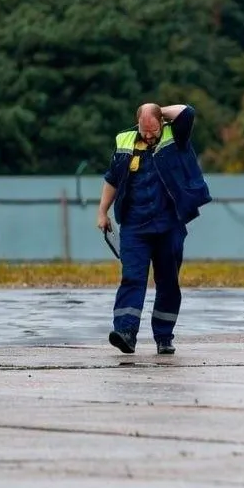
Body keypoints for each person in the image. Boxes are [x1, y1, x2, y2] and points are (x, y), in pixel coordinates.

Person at [98, 102, 211, 354]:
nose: (148, 136)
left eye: (153, 130)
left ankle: (164, 336)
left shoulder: (176, 135)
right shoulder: (125, 141)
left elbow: (188, 112)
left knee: (168, 282)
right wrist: (102, 211)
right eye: (144, 130)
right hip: (134, 226)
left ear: (161, 123)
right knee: (132, 278)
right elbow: (112, 179)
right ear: (137, 123)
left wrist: (157, 109)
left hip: (169, 225)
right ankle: (126, 332)